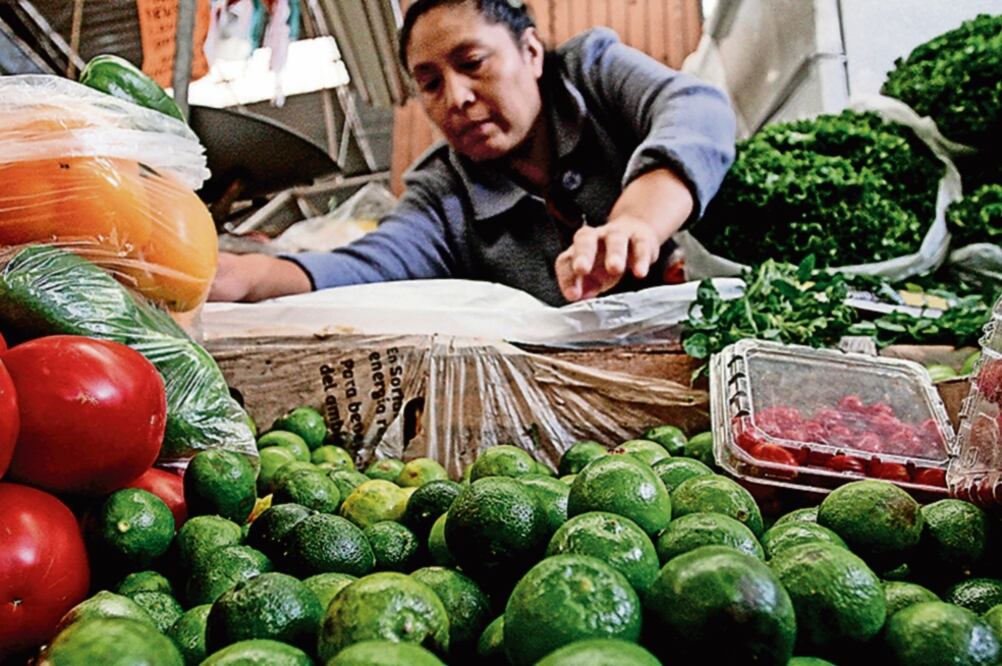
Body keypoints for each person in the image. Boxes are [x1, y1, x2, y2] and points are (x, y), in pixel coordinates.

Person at [209, 0, 736, 306]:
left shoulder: (592, 75)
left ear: (531, 52)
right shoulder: (444, 193)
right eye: (430, 83)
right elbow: (369, 265)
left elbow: (697, 110)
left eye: (473, 63)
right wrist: (248, 276)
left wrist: (635, 223)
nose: (456, 97)